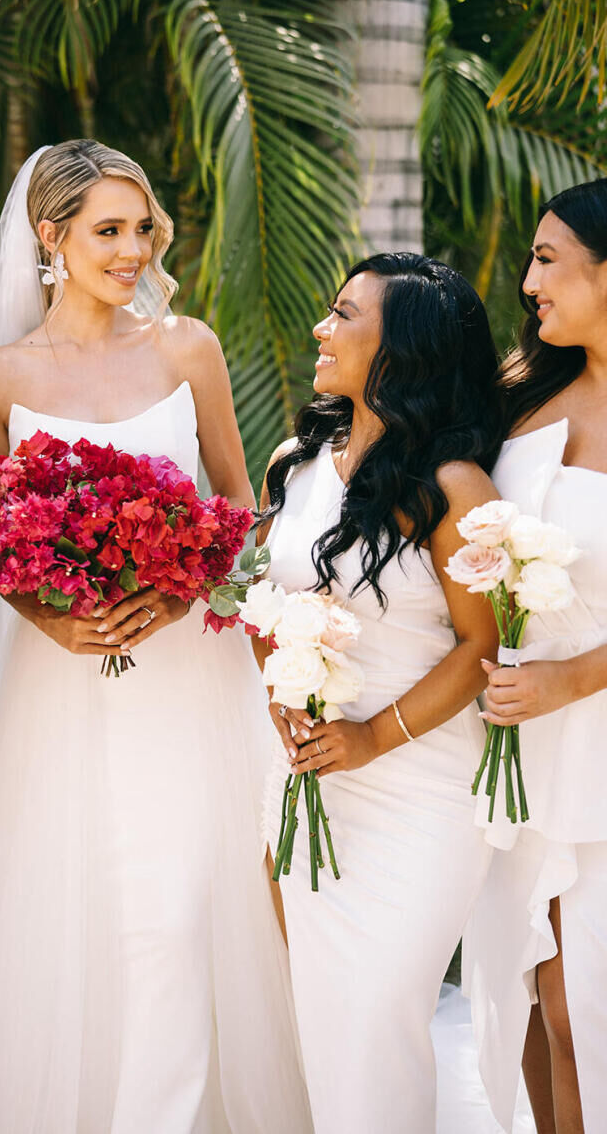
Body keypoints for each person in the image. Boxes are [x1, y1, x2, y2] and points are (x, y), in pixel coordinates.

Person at [0, 140, 311, 1133]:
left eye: (144, 228)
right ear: (51, 236)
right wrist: (60, 621)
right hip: (61, 688)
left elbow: (236, 511)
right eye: (109, 229)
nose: (134, 248)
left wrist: (175, 596)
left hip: (188, 679)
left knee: (176, 914)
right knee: (84, 915)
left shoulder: (187, 347)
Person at [256, 253, 503, 1133]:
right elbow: (266, 606)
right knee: (319, 1024)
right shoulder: (293, 462)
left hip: (421, 791)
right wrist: (282, 696)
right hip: (306, 779)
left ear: (401, 349)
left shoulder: (453, 485)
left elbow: (483, 646)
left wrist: (370, 738)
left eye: (343, 315)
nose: (321, 330)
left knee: (374, 1018)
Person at [467, 179, 607, 1134]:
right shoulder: (522, 396)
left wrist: (572, 677)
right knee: (520, 996)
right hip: (511, 746)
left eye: (550, 259)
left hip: (593, 729)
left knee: (581, 1010)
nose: (528, 281)